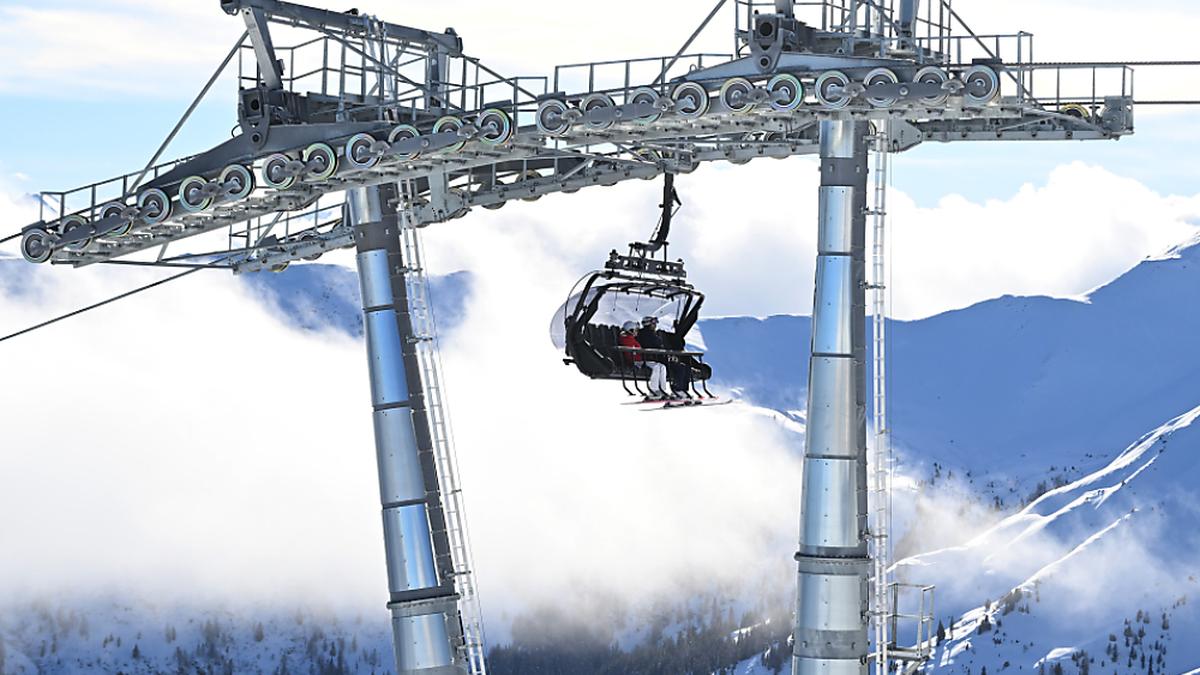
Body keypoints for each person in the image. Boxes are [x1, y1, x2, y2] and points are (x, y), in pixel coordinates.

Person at [638, 316, 688, 399]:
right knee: (679, 368)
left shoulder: (651, 334)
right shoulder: (647, 335)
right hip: (655, 358)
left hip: (659, 358)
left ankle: (678, 390)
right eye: (653, 323)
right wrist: (667, 356)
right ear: (648, 324)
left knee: (683, 367)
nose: (655, 325)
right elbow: (656, 346)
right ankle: (678, 390)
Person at [619, 320, 670, 399]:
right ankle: (654, 390)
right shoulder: (626, 339)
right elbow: (632, 350)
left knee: (662, 366)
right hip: (635, 362)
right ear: (631, 330)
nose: (637, 332)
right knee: (656, 367)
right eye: (635, 330)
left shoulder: (632, 338)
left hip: (641, 360)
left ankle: (662, 389)